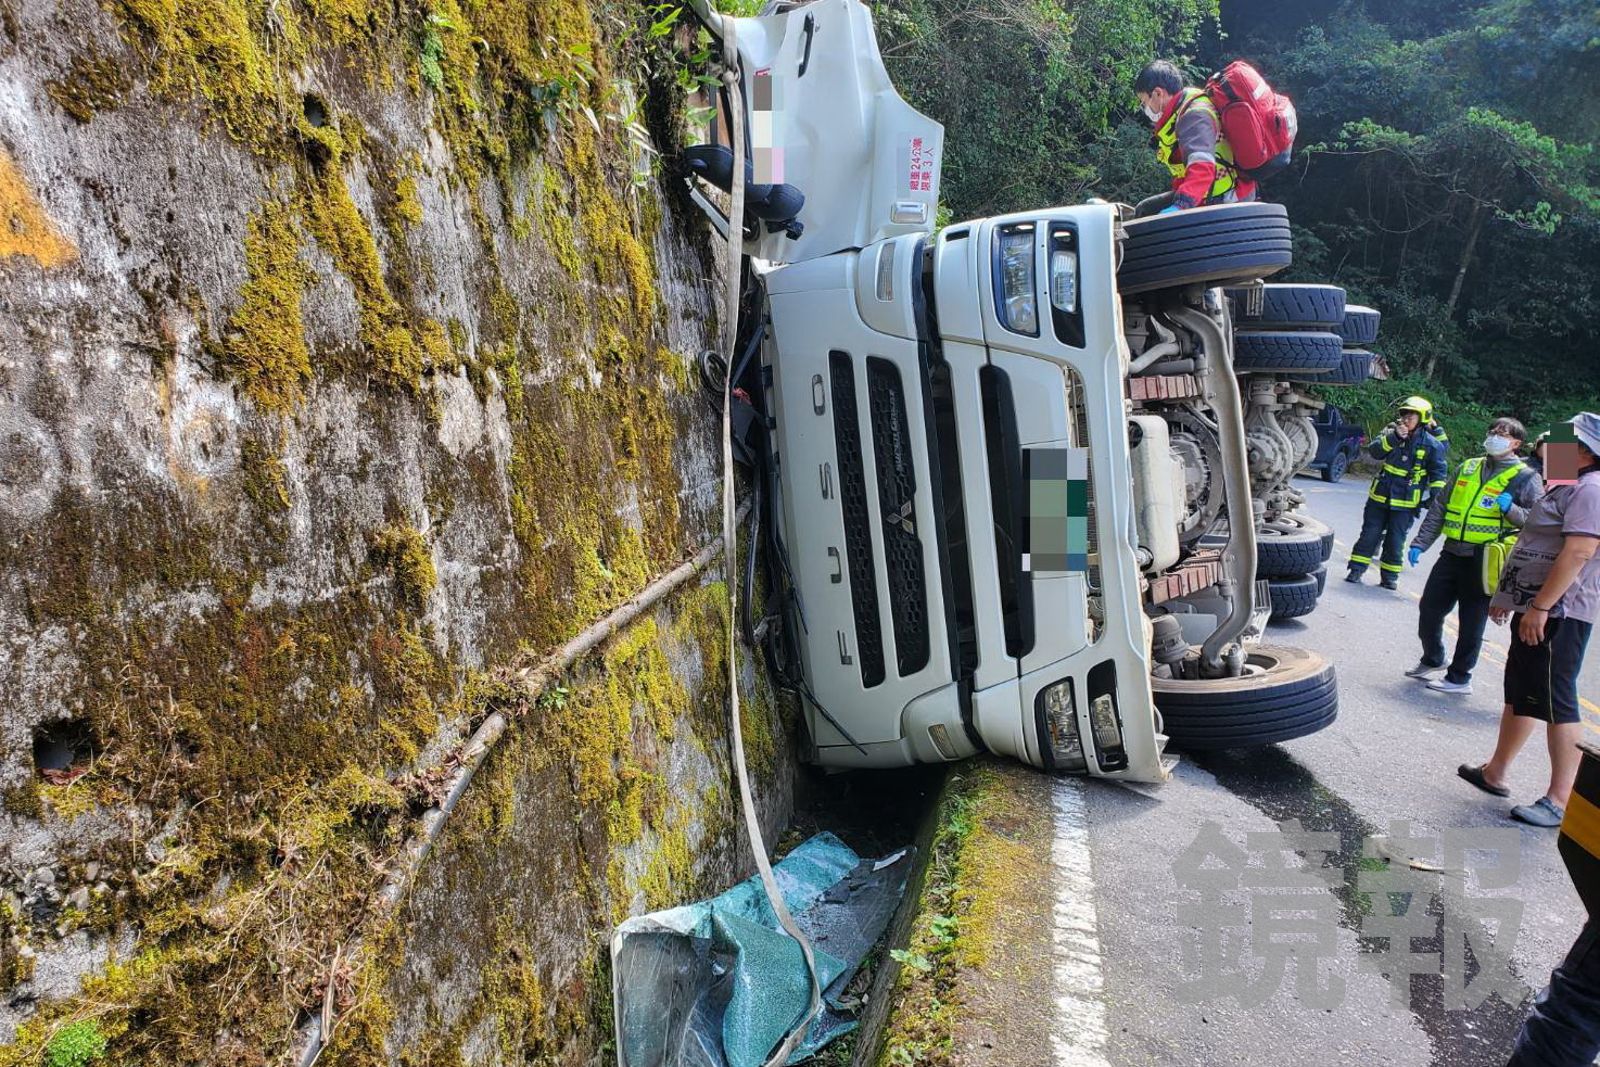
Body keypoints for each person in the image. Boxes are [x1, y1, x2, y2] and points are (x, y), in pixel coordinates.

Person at [1458, 413, 1600, 827]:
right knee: (1521, 691)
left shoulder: (1591, 489)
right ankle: (1495, 772)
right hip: (1534, 603)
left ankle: (1560, 799)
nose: (1548, 446)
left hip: (1561, 610)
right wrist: (1510, 597)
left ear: (1585, 451)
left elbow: (1578, 553)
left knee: (1557, 702)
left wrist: (1539, 608)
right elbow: (1532, 541)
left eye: (1560, 441)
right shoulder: (1563, 482)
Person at [1406, 417, 1542, 695]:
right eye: (1492, 431)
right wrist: (1421, 542)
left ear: (1516, 443)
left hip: (1486, 559)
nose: (1494, 436)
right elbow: (1440, 506)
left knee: (1472, 622)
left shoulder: (1528, 476)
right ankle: (1433, 658)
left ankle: (1460, 677)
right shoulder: (1468, 466)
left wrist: (1512, 511)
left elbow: (1542, 521)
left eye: (1502, 433)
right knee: (1429, 609)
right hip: (1452, 551)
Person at [1346, 396, 1449, 589]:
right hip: (1379, 497)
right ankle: (1356, 570)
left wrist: (1433, 499)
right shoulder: (1390, 432)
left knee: (1395, 540)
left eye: (1413, 415)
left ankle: (1389, 577)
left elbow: (1438, 474)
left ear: (1423, 419)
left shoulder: (1432, 445)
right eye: (1405, 414)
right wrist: (1394, 438)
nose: (1407, 419)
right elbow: (1375, 451)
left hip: (1406, 504)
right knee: (1369, 535)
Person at [1132, 60, 1256, 216]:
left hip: (1229, 200)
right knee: (1145, 210)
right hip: (1210, 194)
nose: (1145, 108)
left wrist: (1180, 207)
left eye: (1144, 101)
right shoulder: (1182, 113)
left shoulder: (1194, 116)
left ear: (1158, 93)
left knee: (1152, 217)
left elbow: (1202, 169)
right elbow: (1185, 173)